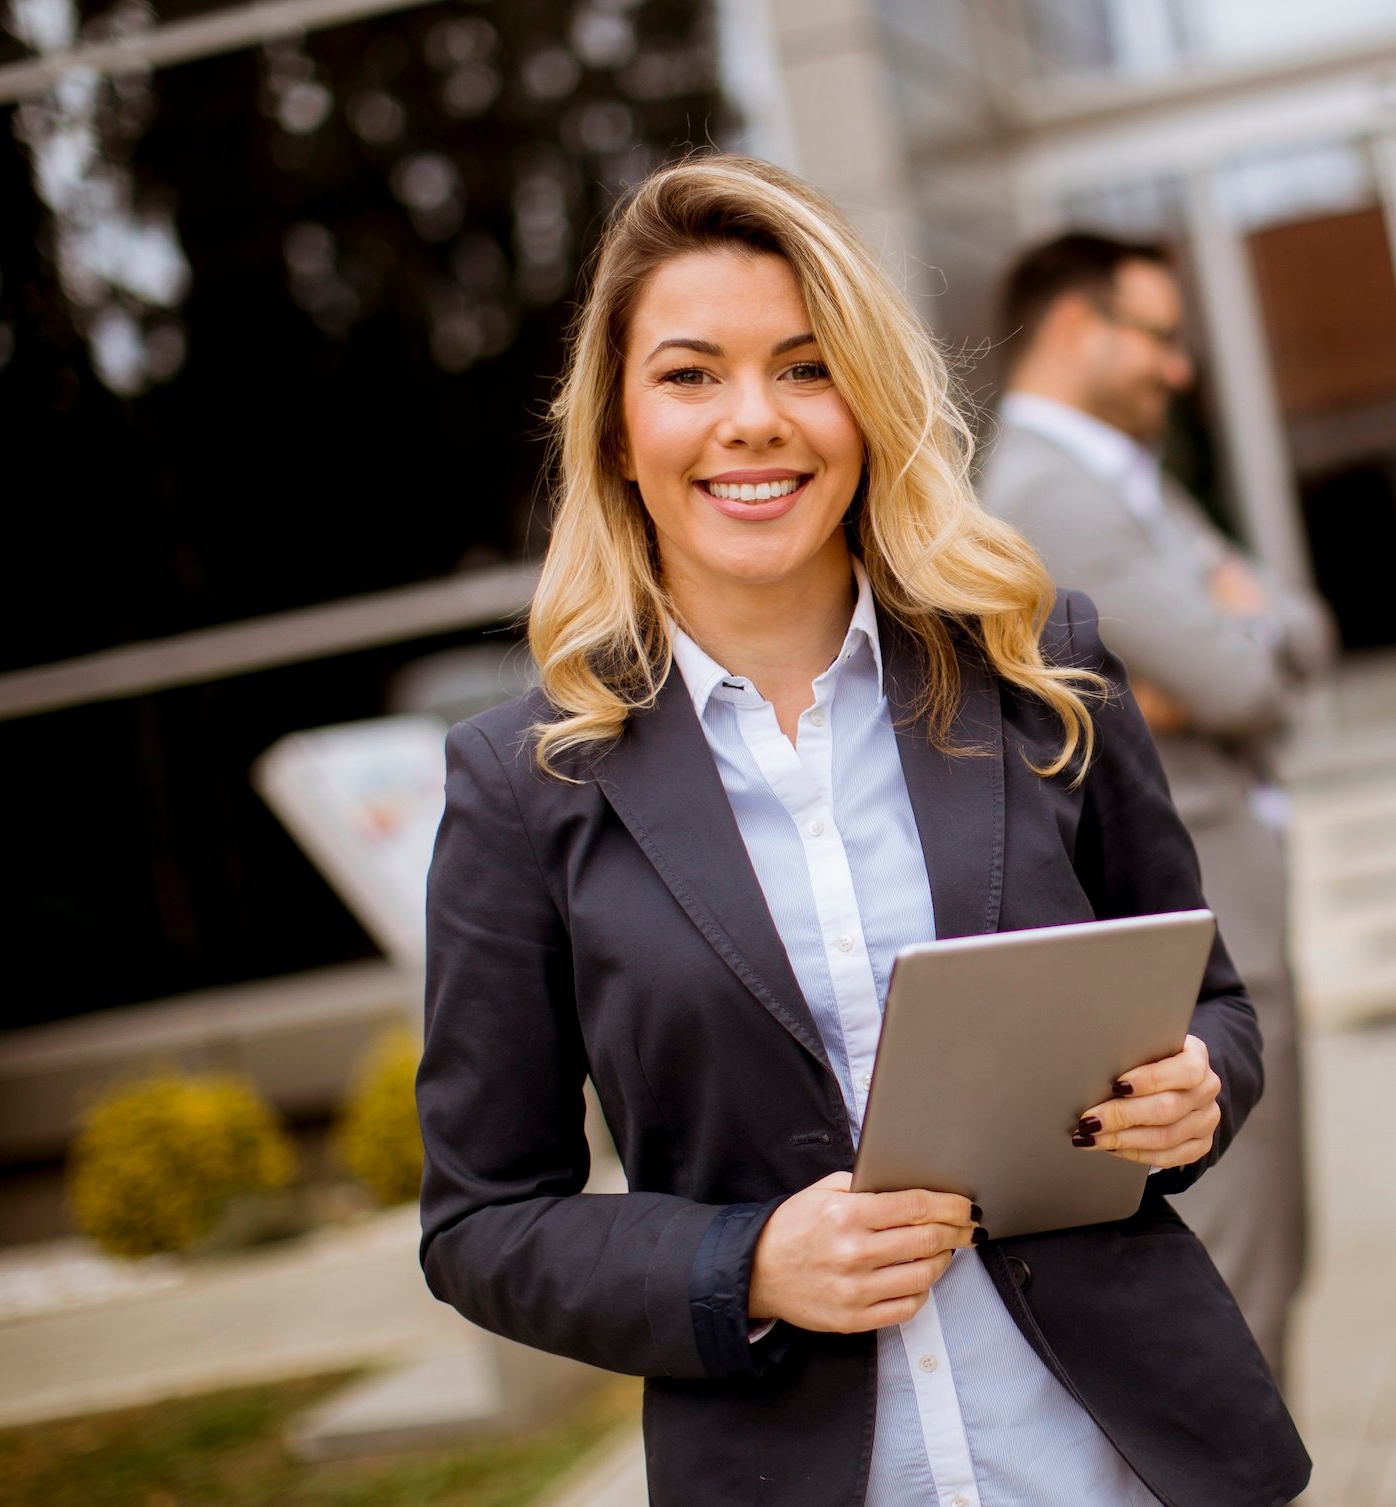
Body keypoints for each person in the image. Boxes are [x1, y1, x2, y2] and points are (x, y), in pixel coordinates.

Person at [415, 156, 1311, 1507]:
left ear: (868, 401)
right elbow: (482, 1220)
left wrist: (1198, 1089)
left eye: (805, 365)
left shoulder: (1036, 666)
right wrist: (745, 1266)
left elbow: (1215, 1008)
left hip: (1117, 1456)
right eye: (691, 374)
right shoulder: (524, 781)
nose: (754, 421)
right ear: (614, 425)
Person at [977, 233, 1334, 1382]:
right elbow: (1240, 675)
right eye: (1160, 337)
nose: (1179, 370)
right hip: (1195, 923)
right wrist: (1235, 643)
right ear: (1079, 330)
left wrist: (1246, 636)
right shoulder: (1052, 495)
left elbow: (1291, 632)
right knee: (1240, 1278)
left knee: (1275, 1258)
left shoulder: (1129, 476)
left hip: (1231, 897)